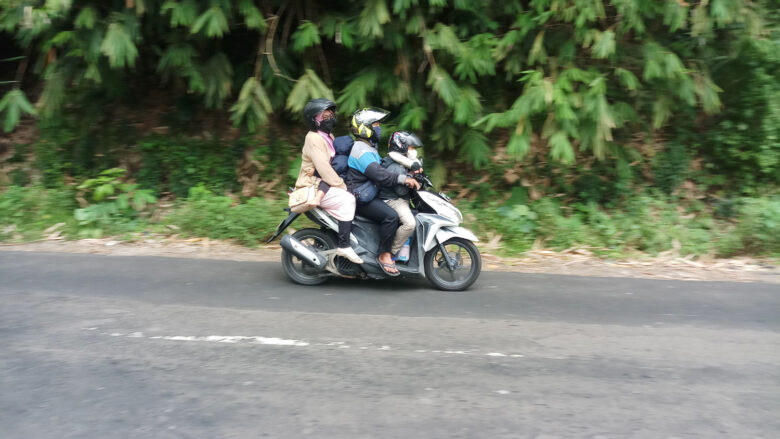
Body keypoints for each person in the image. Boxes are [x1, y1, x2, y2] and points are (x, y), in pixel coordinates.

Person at [345, 108, 420, 276]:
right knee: (391, 216)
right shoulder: (361, 150)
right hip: (360, 197)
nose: (379, 128)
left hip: (370, 192)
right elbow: (380, 175)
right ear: (364, 127)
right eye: (376, 124)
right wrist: (403, 179)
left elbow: (384, 167)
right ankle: (384, 254)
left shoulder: (369, 147)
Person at [294, 98, 363, 264]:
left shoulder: (327, 135)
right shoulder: (314, 138)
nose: (330, 119)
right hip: (313, 184)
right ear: (314, 120)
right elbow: (324, 168)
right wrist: (342, 185)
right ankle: (344, 245)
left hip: (326, 181)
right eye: (325, 117)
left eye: (331, 115)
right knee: (348, 200)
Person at [379, 131, 424, 259]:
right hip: (392, 199)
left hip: (399, 198)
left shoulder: (402, 161)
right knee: (410, 224)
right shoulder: (395, 166)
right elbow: (401, 191)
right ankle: (391, 253)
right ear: (401, 146)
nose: (413, 151)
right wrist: (411, 178)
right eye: (411, 147)